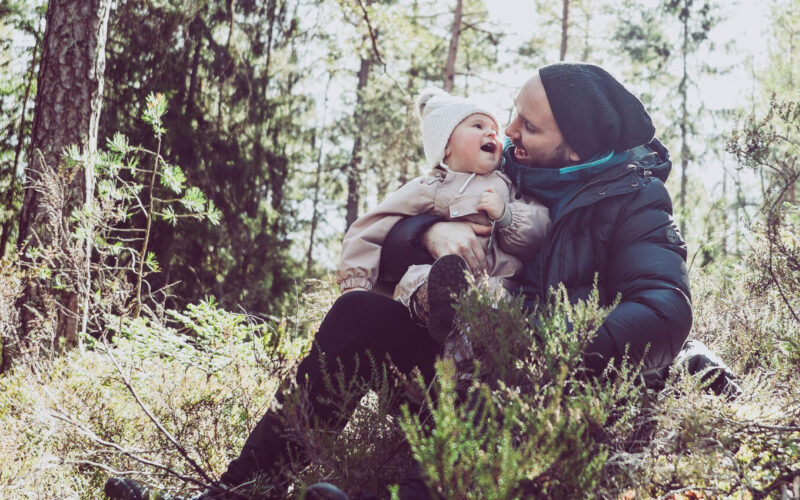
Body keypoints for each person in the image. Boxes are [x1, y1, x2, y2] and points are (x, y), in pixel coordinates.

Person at [105, 62, 731, 500]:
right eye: (512, 114)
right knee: (356, 318)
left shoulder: (635, 199)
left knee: (482, 407)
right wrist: (426, 236)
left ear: (575, 150)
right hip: (456, 358)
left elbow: (664, 307)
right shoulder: (493, 170)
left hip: (549, 389)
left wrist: (534, 343)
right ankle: (237, 490)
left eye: (528, 126)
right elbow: (397, 223)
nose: (508, 132)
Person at [337, 88, 550, 344]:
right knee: (421, 277)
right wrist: (355, 282)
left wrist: (507, 216)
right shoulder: (430, 187)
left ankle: (466, 367)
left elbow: (540, 231)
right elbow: (371, 227)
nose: (492, 132)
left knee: (495, 305)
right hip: (437, 274)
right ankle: (432, 306)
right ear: (446, 147)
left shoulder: (509, 187)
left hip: (495, 284)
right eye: (478, 125)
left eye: (493, 127)